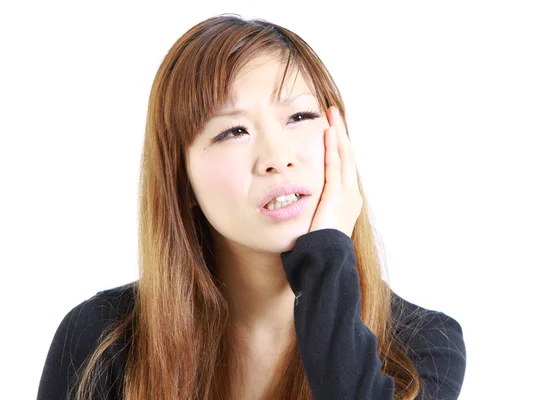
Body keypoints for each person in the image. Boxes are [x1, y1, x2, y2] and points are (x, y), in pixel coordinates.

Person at [37, 14, 466, 400]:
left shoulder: (419, 345)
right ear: (180, 179)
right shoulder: (100, 341)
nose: (277, 157)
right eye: (233, 131)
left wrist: (326, 256)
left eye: (299, 118)